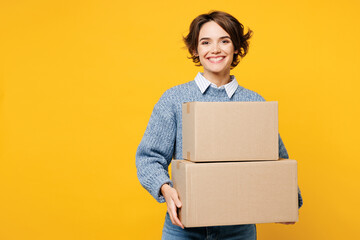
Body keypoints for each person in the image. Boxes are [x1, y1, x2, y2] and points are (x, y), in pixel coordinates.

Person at [136, 10, 303, 240]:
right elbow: (148, 158)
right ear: (195, 49)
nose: (215, 49)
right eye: (206, 42)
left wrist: (288, 202)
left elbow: (277, 161)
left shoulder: (253, 102)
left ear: (236, 48)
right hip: (184, 227)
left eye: (224, 41)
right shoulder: (174, 99)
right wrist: (165, 188)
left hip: (239, 228)